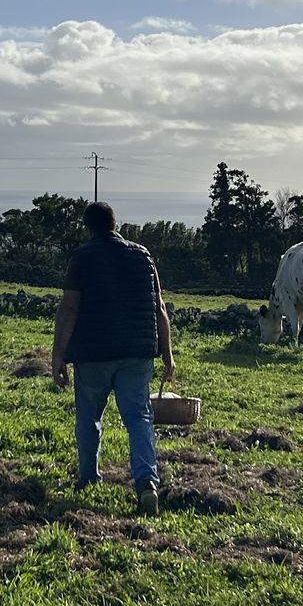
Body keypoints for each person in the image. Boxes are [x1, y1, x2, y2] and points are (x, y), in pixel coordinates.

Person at [52, 201, 176, 514]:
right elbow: (160, 307)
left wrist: (58, 355)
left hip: (93, 352)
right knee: (138, 417)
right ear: (115, 223)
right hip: (136, 352)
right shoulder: (143, 256)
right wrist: (167, 354)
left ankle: (88, 477)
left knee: (89, 416)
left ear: (88, 227)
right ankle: (147, 481)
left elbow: (69, 309)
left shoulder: (82, 257)